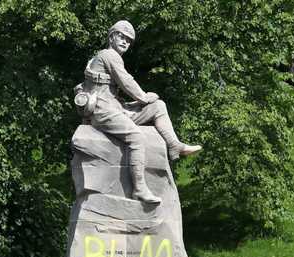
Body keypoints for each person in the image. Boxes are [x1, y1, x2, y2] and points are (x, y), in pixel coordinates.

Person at [75, 20, 202, 205]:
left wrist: (142, 101)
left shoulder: (111, 56)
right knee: (136, 136)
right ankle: (139, 189)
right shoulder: (108, 55)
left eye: (129, 40)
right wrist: (143, 97)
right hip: (102, 110)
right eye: (121, 36)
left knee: (158, 106)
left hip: (115, 106)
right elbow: (126, 82)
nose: (125, 42)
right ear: (111, 37)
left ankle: (174, 145)